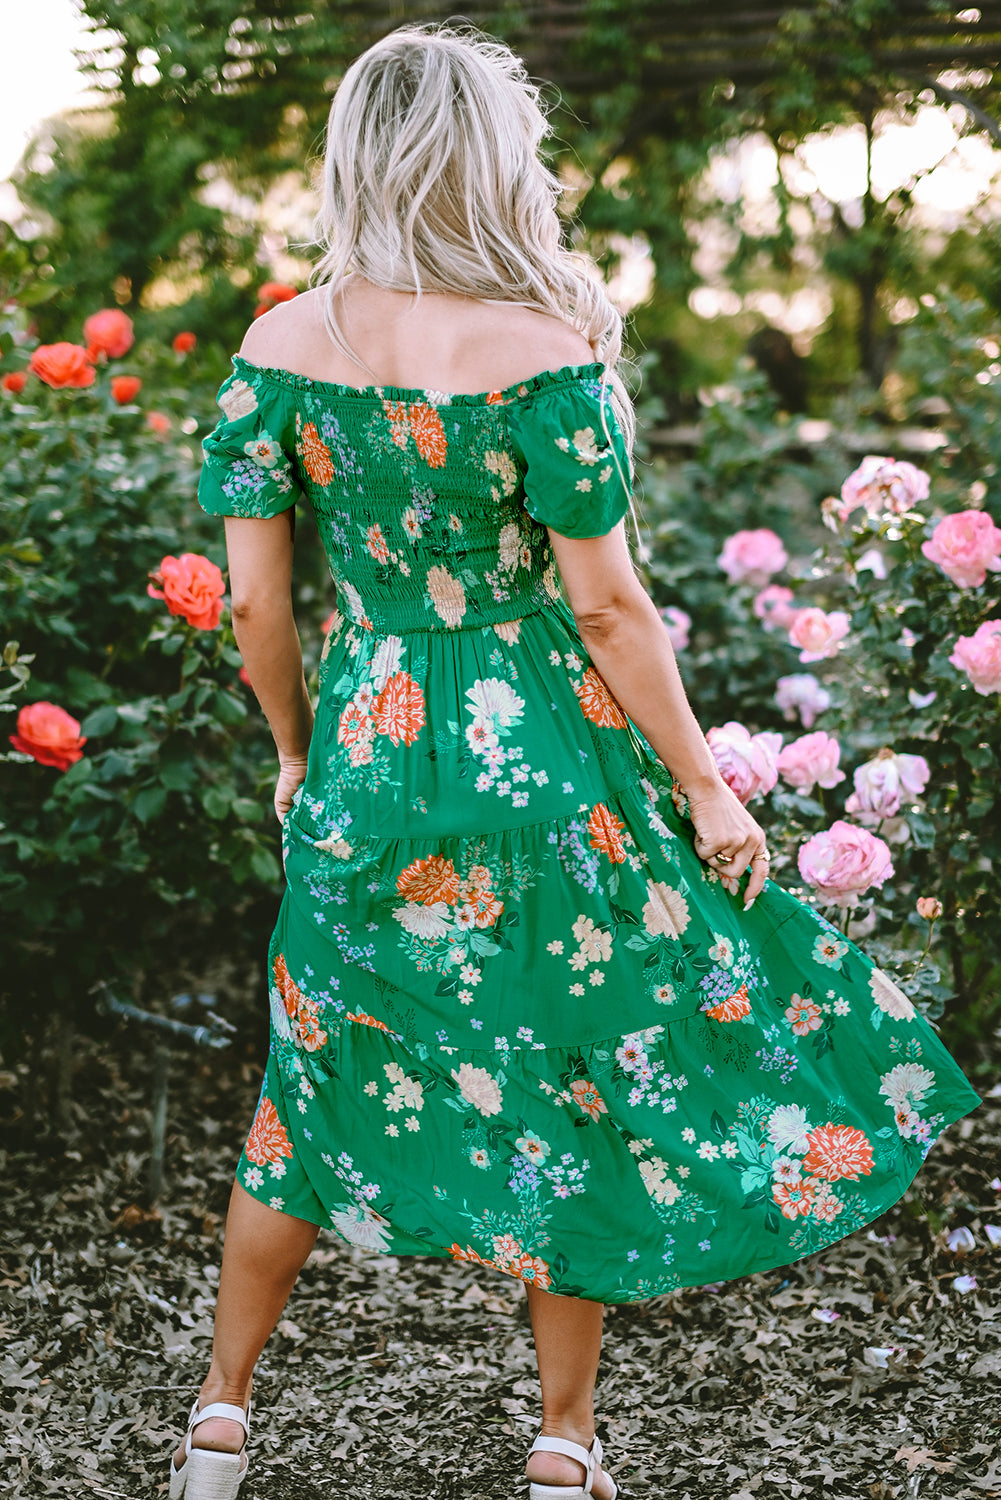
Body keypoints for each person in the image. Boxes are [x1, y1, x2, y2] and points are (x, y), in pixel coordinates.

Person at [168, 22, 981, 1500]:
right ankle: (559, 1443)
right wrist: (704, 780)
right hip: (547, 755)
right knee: (572, 1081)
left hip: (368, 749)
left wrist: (297, 749)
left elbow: (259, 601)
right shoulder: (544, 354)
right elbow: (604, 604)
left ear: (357, 150)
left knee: (313, 1087)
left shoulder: (281, 347)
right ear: (492, 157)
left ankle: (219, 1422)